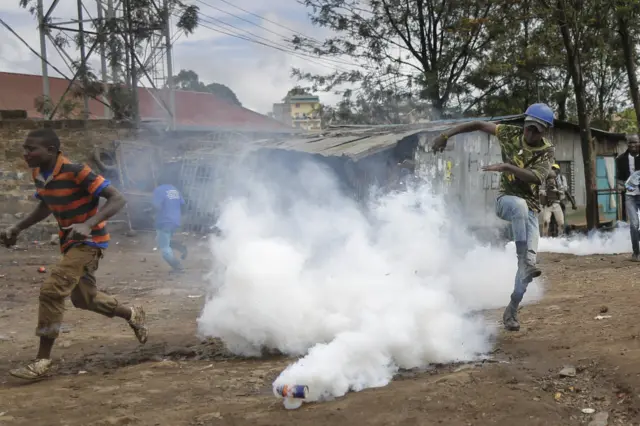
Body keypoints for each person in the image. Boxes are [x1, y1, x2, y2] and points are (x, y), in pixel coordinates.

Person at [0, 128, 148, 380]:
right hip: (69, 244)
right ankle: (132, 313)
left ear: (51, 150)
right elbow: (46, 204)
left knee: (51, 290)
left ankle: (42, 360)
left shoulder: (78, 171)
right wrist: (18, 227)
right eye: (25, 148)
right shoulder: (39, 173)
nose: (25, 153)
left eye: (30, 149)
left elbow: (117, 199)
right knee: (84, 299)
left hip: (90, 242)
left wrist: (89, 224)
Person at [432, 103, 555, 331]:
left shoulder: (547, 151)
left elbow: (536, 178)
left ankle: (512, 308)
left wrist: (508, 166)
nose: (530, 133)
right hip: (505, 201)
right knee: (518, 206)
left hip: (531, 211)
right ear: (524, 124)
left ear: (545, 131)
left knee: (527, 272)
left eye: (536, 130)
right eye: (528, 127)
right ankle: (522, 260)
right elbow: (478, 124)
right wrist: (445, 135)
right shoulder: (510, 132)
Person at [152, 177, 188, 272]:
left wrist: (152, 214)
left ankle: (178, 267)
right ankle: (180, 247)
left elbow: (156, 205)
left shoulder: (159, 190)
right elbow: (183, 205)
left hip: (164, 220)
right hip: (175, 220)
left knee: (164, 248)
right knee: (162, 240)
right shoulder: (174, 189)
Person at [615, 134, 640, 260]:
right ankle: (636, 252)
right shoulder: (621, 159)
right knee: (634, 224)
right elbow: (619, 179)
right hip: (630, 196)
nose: (632, 145)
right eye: (630, 142)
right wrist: (621, 186)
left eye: (635, 142)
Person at [551, 163, 577, 235]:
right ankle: (554, 235)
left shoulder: (562, 178)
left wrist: (573, 203)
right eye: (552, 169)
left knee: (561, 220)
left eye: (555, 169)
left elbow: (566, 191)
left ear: (558, 171)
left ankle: (563, 234)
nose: (553, 171)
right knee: (552, 221)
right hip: (552, 202)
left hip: (561, 202)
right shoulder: (549, 179)